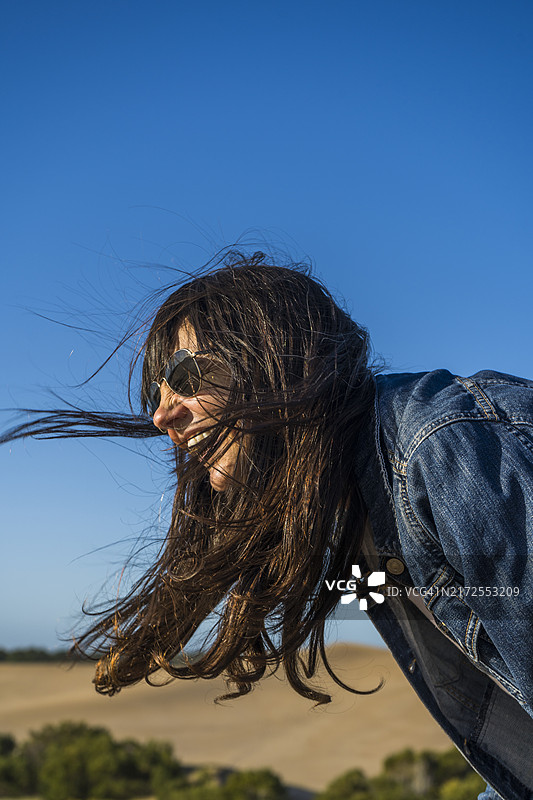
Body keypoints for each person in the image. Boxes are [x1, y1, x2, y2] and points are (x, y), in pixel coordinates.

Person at [3, 250, 533, 800]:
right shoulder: (354, 509)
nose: (163, 417)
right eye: (154, 397)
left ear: (277, 357)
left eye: (184, 376)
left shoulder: (443, 451)